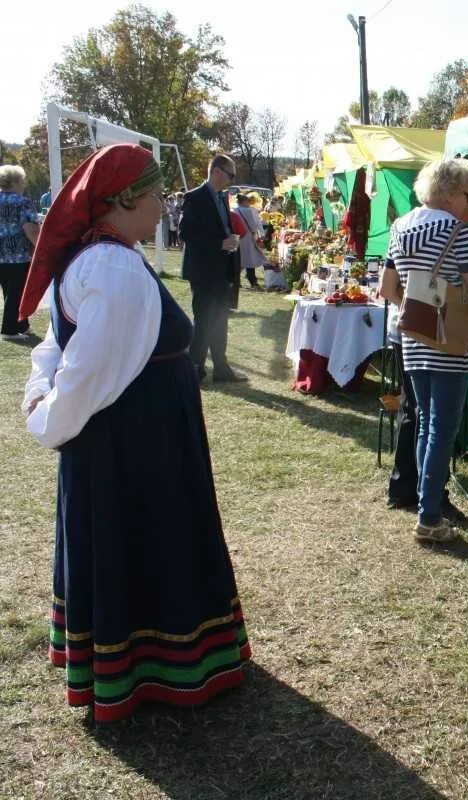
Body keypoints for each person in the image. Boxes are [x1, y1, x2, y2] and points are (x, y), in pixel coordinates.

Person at [19, 143, 251, 722]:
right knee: (150, 542)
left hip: (138, 439)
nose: (164, 209)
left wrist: (43, 393)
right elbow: (87, 368)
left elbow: (60, 346)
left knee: (143, 541)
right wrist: (47, 414)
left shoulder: (102, 256)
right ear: (124, 199)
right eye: (157, 197)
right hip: (136, 446)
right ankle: (154, 667)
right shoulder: (112, 266)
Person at [380, 159, 468, 543]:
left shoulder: (400, 227)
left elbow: (387, 288)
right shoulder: (459, 232)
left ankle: (425, 505)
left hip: (414, 341)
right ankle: (429, 517)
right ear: (451, 192)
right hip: (450, 345)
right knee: (441, 431)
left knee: (423, 426)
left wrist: (418, 309)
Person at [180, 155, 246, 382]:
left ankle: (221, 367)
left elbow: (219, 227)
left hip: (220, 268)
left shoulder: (221, 198)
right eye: (230, 174)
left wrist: (230, 240)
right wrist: (218, 243)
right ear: (216, 171)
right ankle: (195, 366)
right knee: (204, 318)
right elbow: (186, 233)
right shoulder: (194, 197)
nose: (231, 179)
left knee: (220, 318)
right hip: (202, 269)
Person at [0, 165, 41, 341]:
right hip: (18, 255)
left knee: (9, 291)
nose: (24, 184)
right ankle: (9, 330)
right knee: (17, 292)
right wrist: (41, 248)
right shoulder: (23, 202)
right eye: (22, 180)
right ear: (15, 181)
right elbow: (30, 229)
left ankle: (22, 325)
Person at [234, 193, 266, 289]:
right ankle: (253, 281)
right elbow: (253, 225)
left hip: (238, 237)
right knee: (249, 260)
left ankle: (237, 281)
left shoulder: (234, 210)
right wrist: (258, 235)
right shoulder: (248, 211)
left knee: (239, 260)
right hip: (247, 237)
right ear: (244, 201)